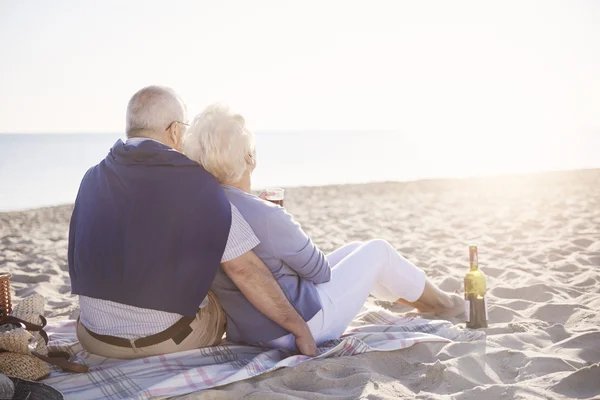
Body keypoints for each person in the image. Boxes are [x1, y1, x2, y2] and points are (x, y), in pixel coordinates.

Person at [182, 104, 465, 350]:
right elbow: (319, 271)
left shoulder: (202, 207)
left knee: (357, 250)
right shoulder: (266, 214)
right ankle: (442, 303)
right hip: (300, 327)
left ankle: (424, 300)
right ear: (249, 158)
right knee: (378, 251)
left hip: (248, 332)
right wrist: (282, 226)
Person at [68, 86, 317, 359]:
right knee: (223, 284)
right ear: (175, 131)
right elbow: (245, 271)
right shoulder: (197, 184)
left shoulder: (91, 177)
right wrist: (300, 330)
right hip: (161, 342)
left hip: (93, 338)